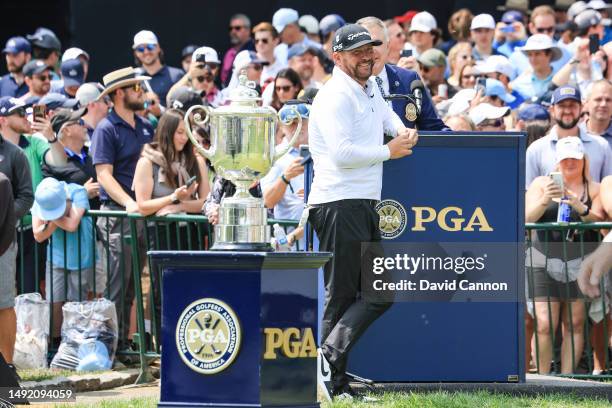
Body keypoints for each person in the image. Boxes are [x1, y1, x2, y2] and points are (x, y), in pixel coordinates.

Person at [308, 23, 417, 399]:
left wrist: (403, 131)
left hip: (360, 202)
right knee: (342, 294)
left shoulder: (370, 86)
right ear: (338, 59)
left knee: (379, 292)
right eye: (357, 53)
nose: (367, 56)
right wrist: (391, 151)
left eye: (370, 49)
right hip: (338, 203)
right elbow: (341, 154)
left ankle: (328, 371)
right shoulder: (335, 95)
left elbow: (387, 117)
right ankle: (329, 379)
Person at [525, 136, 603, 374]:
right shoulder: (541, 183)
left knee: (575, 324)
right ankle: (543, 380)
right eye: (564, 158)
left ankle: (568, 382)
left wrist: (581, 208)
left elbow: (601, 222)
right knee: (545, 323)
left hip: (579, 262)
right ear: (556, 162)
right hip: (541, 259)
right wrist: (546, 199)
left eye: (575, 158)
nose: (570, 163)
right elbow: (526, 218)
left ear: (584, 160)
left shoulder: (595, 188)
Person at [90, 67, 154, 347]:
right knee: (115, 286)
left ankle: (124, 346)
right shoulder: (106, 129)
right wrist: (129, 203)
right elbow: (103, 174)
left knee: (132, 288)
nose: (142, 92)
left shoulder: (146, 126)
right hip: (117, 215)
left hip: (139, 214)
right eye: (136, 87)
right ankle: (108, 348)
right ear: (119, 94)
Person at [357, 17, 448, 131]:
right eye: (365, 45)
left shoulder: (409, 79)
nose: (371, 51)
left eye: (377, 43)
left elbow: (434, 128)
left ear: (388, 46)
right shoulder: (347, 84)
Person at [32, 177, 94, 339]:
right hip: (56, 258)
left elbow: (72, 225)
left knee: (77, 304)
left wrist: (49, 219)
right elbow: (38, 235)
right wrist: (58, 217)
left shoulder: (78, 191)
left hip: (82, 257)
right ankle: (55, 343)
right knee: (54, 302)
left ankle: (75, 342)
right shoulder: (41, 197)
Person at [0, 106, 33, 380]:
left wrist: (6, 220)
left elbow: (26, 196)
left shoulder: (14, 154)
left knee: (3, 303)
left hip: (3, 240)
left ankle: (6, 368)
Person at [526, 85, 612, 187]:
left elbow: (608, 190)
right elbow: (528, 193)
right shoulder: (536, 149)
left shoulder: (601, 146)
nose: (567, 111)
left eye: (572, 105)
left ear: (581, 108)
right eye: (561, 105)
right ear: (552, 110)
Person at [133, 109, 209, 218]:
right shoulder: (147, 162)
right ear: (166, 132)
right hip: (159, 231)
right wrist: (173, 197)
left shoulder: (197, 161)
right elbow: (143, 207)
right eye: (180, 132)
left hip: (191, 230)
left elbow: (207, 202)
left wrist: (180, 206)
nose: (185, 138)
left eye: (187, 133)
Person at [261, 101, 310, 247]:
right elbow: (267, 201)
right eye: (291, 123)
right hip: (290, 244)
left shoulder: (324, 151)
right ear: (282, 127)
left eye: (302, 122)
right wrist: (285, 177)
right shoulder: (275, 156)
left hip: (321, 238)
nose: (297, 127)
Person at [509, 6, 572, 78]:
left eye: (550, 29)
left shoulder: (566, 54)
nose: (545, 33)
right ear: (531, 27)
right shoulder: (517, 56)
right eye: (540, 30)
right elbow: (509, 86)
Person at [132, 30, 184, 106]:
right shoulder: (134, 78)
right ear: (136, 53)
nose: (146, 52)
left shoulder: (177, 75)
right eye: (141, 49)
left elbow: (185, 104)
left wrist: (160, 110)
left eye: (150, 47)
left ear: (158, 48)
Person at [510, 34, 562, 101]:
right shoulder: (519, 83)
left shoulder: (562, 81)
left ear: (549, 55)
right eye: (530, 55)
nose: (533, 59)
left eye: (537, 54)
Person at [221, 14, 255, 87]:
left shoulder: (255, 50)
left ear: (248, 30)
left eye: (237, 28)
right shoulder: (228, 52)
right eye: (231, 28)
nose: (233, 31)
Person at [581, 79, 612, 147]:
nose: (603, 104)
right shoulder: (574, 135)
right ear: (586, 104)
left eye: (608, 100)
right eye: (598, 99)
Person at [253, 22, 284, 87]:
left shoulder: (282, 69)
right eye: (257, 41)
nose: (260, 43)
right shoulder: (247, 64)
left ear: (276, 41)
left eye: (264, 40)